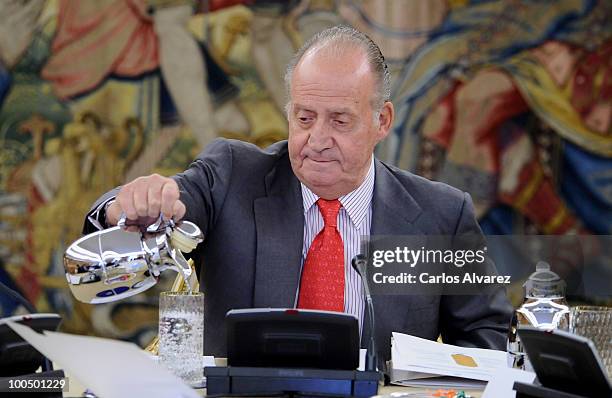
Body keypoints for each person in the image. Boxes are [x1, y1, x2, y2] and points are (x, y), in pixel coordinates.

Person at [84, 26, 512, 360]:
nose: (317, 139)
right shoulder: (234, 177)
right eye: (304, 118)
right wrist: (129, 205)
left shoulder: (441, 214)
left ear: (381, 120)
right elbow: (171, 203)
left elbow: (486, 337)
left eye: (340, 121)